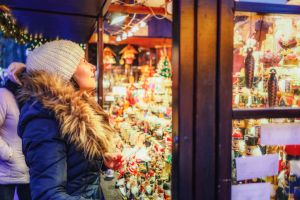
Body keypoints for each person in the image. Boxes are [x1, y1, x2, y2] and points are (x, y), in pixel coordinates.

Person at [17, 40, 123, 200]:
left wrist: (101, 161)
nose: (92, 67)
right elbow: (49, 195)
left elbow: (74, 168)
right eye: (83, 61)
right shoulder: (44, 120)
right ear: (63, 72)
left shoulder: (77, 111)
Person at [0, 62, 31, 200]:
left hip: (28, 170)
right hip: (6, 172)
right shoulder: (3, 95)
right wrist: (8, 154)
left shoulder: (28, 98)